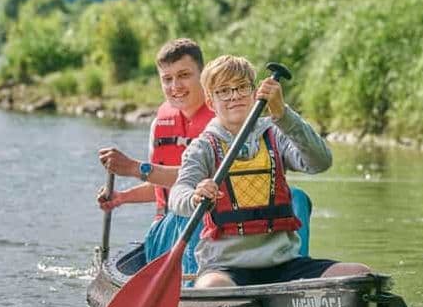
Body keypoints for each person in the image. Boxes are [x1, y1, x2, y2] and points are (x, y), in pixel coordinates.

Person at [96, 40, 312, 273]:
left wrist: (135, 169)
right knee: (198, 207)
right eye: (167, 79)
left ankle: (291, 271)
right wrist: (123, 197)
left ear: (203, 79)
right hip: (172, 224)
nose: (175, 86)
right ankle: (195, 288)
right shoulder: (161, 122)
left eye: (184, 75)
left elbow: (226, 178)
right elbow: (171, 188)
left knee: (295, 197)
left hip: (220, 227)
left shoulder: (229, 116)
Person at [168, 55, 370, 287]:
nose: (234, 96)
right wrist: (194, 196)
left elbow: (320, 162)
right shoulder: (203, 147)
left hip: (285, 265)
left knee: (360, 275)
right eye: (223, 90)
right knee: (212, 287)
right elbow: (177, 194)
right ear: (211, 102)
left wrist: (283, 114)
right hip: (226, 268)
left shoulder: (276, 133)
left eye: (242, 87)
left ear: (254, 92)